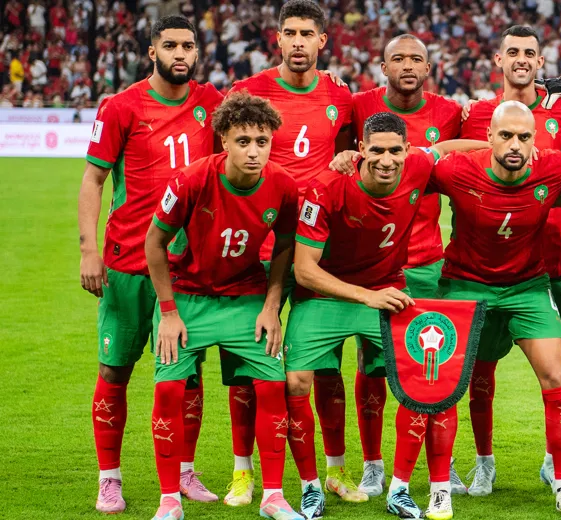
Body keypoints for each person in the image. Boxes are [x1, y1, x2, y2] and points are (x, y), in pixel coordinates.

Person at [285, 112, 485, 520]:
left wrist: (497, 147)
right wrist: (366, 296)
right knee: (295, 382)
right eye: (377, 150)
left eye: (396, 150)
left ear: (408, 150)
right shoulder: (325, 188)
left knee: (427, 379)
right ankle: (311, 488)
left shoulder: (418, 165)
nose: (387, 160)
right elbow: (303, 269)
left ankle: (399, 489)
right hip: (324, 294)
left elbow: (447, 149)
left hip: (388, 289)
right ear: (360, 149)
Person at [78, 15, 224, 513]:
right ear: (152, 52)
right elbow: (93, 180)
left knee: (188, 375)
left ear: (197, 53)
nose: (180, 54)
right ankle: (109, 478)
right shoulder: (121, 106)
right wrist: (89, 251)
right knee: (114, 369)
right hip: (127, 262)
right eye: (170, 45)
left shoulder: (211, 103)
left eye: (188, 46)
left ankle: (184, 471)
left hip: (187, 267)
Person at [224, 0, 358, 507]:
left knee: (325, 367)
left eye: (307, 33)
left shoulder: (340, 95)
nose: (298, 41)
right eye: (290, 32)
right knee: (248, 365)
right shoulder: (248, 92)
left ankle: (336, 470)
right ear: (277, 38)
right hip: (255, 248)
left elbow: (347, 159)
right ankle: (242, 473)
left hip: (317, 250)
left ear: (323, 40)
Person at [144, 92, 302, 520]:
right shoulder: (191, 180)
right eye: (243, 141)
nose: (254, 151)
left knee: (272, 386)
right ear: (224, 141)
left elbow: (285, 245)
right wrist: (168, 312)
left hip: (246, 299)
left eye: (262, 142)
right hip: (187, 299)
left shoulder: (284, 185)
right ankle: (169, 501)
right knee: (168, 390)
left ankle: (272, 497)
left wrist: (272, 305)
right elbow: (154, 243)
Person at [432, 101, 561, 519]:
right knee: (448, 385)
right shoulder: (457, 170)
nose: (515, 144)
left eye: (524, 137)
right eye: (506, 135)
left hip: (527, 287)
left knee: (557, 377)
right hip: (465, 285)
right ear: (489, 137)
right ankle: (442, 486)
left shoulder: (554, 168)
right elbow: (405, 167)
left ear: (536, 140)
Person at [458, 25, 561, 497]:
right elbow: (458, 164)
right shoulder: (476, 114)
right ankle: (484, 463)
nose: (522, 59)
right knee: (480, 370)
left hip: (551, 260)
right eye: (513, 52)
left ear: (541, 61)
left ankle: (554, 462)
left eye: (530, 52)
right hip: (483, 264)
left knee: (555, 366)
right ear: (498, 59)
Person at [349, 33, 465, 497]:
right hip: (373, 267)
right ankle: (373, 463)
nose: (408, 66)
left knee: (435, 368)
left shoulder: (448, 112)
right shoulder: (358, 106)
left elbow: (465, 148)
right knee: (372, 366)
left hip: (427, 263)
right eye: (398, 59)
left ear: (429, 67)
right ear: (383, 67)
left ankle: (443, 463)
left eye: (417, 59)